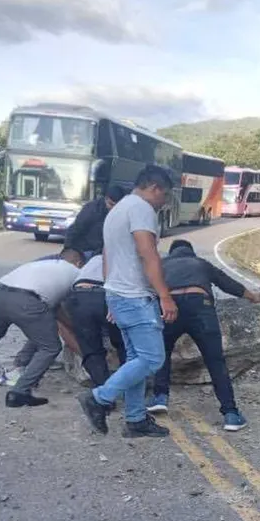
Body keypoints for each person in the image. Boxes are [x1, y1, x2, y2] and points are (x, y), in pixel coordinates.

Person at [78, 165, 178, 438]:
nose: (164, 202)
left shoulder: (117, 210)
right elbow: (148, 253)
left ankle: (135, 420)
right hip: (135, 296)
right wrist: (165, 296)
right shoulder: (141, 209)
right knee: (152, 358)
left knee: (135, 358)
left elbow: (108, 256)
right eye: (165, 195)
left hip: (118, 294)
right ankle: (99, 398)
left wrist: (111, 295)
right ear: (154, 188)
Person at [146, 240, 260, 431]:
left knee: (163, 352)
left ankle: (160, 397)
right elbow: (227, 283)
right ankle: (231, 414)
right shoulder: (201, 263)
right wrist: (253, 297)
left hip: (171, 306)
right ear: (191, 253)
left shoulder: (163, 265)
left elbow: (148, 288)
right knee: (215, 361)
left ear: (172, 253)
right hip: (201, 306)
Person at [0, 248, 85, 406]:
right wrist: (84, 346)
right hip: (26, 300)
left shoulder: (46, 265)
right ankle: (20, 392)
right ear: (79, 263)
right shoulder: (77, 273)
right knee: (50, 347)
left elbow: (54, 311)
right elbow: (63, 313)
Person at [61, 253, 127, 387]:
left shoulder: (94, 260)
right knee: (124, 343)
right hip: (106, 295)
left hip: (78, 297)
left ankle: (104, 393)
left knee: (91, 349)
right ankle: (129, 387)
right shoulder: (125, 256)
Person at [63, 185, 125, 259]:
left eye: (116, 206)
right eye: (111, 204)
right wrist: (67, 250)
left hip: (103, 252)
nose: (113, 208)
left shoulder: (121, 212)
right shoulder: (91, 209)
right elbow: (75, 229)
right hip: (85, 250)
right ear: (106, 198)